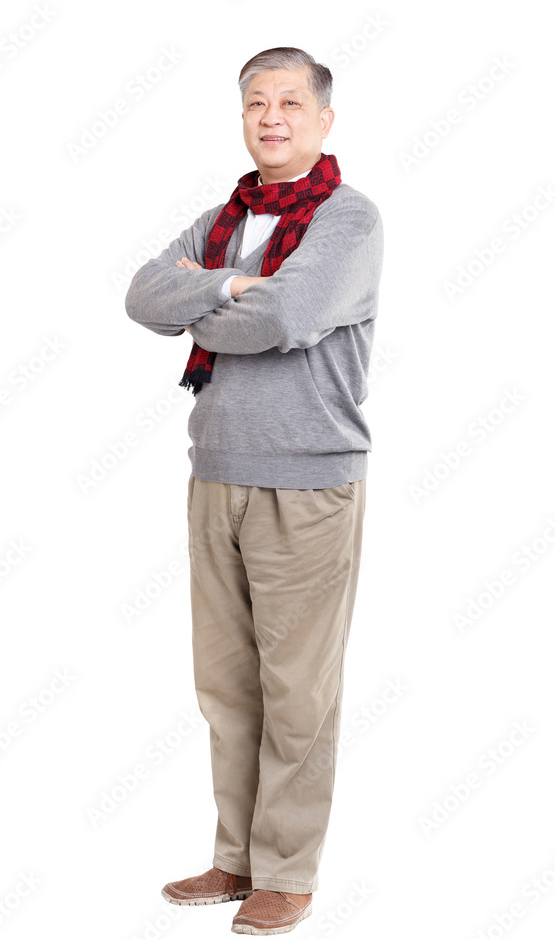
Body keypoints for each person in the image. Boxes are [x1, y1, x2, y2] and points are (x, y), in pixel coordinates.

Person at [124, 46, 384, 936]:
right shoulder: (222, 220)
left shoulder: (347, 220)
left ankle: (287, 870)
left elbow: (291, 315)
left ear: (321, 119)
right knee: (227, 685)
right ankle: (234, 857)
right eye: (253, 103)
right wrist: (232, 282)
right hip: (215, 474)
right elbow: (141, 293)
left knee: (298, 689)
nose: (269, 117)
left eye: (287, 102)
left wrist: (206, 310)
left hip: (307, 483)